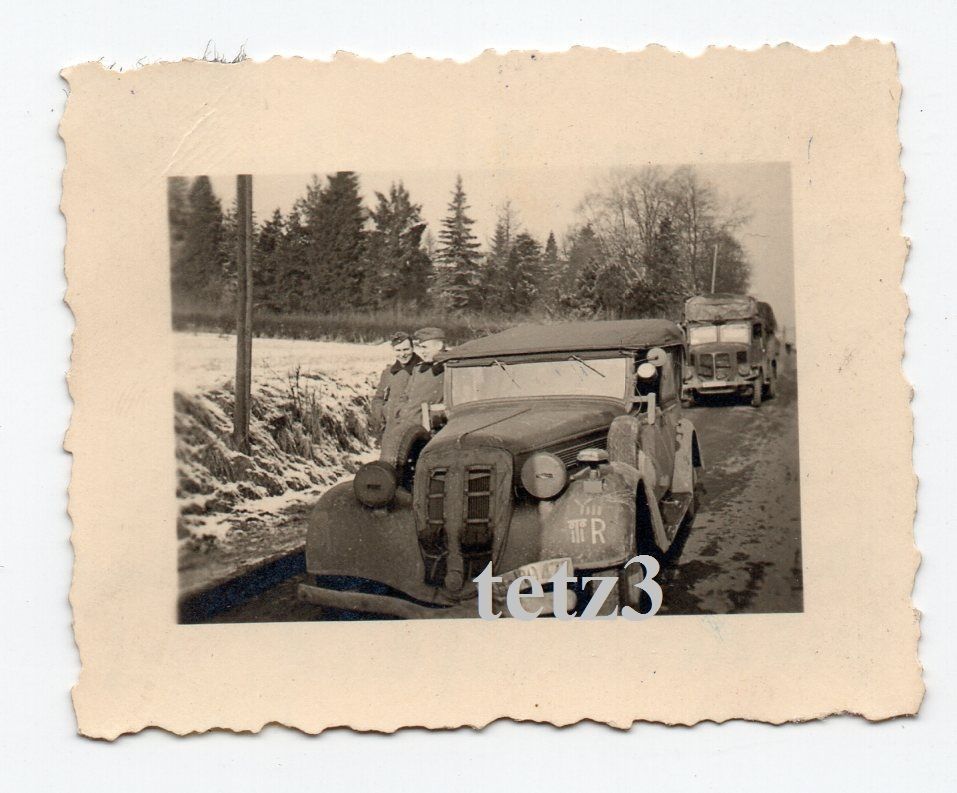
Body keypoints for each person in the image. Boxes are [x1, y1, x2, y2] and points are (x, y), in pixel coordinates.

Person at [379, 327, 447, 472]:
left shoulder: (450, 368)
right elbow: (406, 396)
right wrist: (399, 412)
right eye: (420, 347)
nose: (421, 352)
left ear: (439, 346)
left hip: (427, 433)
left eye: (425, 347)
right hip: (405, 427)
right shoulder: (419, 369)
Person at [370, 332, 420, 438]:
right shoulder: (388, 372)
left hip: (414, 429)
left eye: (406, 349)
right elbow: (378, 398)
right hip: (390, 428)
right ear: (393, 350)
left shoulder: (422, 370)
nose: (403, 354)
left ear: (413, 348)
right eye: (398, 350)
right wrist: (382, 414)